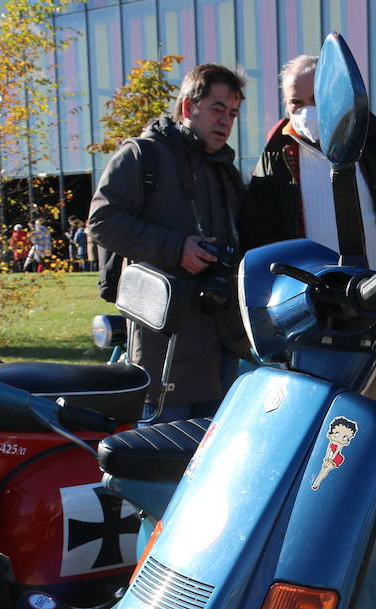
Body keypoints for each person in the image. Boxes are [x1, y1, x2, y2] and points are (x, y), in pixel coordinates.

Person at [241, 55, 376, 575]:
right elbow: (260, 239)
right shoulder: (276, 157)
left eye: (316, 100)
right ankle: (320, 545)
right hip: (313, 314)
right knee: (317, 433)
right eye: (296, 103)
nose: (307, 113)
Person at [89, 62, 247, 423]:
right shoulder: (142, 155)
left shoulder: (224, 169)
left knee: (210, 461)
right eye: (217, 109)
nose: (226, 121)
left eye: (233, 113)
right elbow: (102, 221)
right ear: (189, 107)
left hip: (219, 339)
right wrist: (178, 249)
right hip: (164, 344)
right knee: (162, 460)